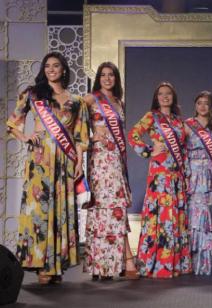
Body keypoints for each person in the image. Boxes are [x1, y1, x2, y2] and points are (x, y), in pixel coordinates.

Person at [7, 52, 89, 284]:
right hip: (40, 161)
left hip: (65, 162)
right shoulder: (33, 95)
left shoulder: (77, 101)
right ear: (44, 70)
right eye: (48, 66)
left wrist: (80, 162)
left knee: (61, 209)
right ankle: (42, 265)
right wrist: (25, 136)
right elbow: (12, 122)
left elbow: (81, 136)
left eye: (56, 66)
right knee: (40, 211)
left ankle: (57, 266)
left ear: (64, 70)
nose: (51, 69)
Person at [128, 82, 191, 278]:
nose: (165, 97)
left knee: (175, 218)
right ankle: (156, 263)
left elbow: (184, 149)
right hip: (159, 176)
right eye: (161, 94)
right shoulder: (151, 117)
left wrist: (186, 174)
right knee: (160, 217)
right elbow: (133, 135)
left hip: (177, 176)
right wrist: (148, 150)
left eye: (168, 94)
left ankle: (175, 264)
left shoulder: (179, 122)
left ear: (173, 98)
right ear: (157, 98)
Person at [83, 62, 138, 280]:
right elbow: (72, 125)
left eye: (111, 75)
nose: (107, 79)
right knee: (100, 211)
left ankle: (115, 264)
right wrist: (90, 137)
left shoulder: (119, 103)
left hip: (115, 160)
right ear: (98, 78)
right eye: (103, 75)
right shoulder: (89, 99)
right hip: (99, 159)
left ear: (116, 79)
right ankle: (100, 265)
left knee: (116, 209)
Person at [184, 91, 212, 275]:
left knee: (210, 218)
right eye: (199, 102)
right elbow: (182, 152)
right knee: (196, 218)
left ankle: (211, 261)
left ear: (211, 107)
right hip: (195, 175)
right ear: (195, 105)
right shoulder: (187, 125)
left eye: (206, 103)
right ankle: (196, 261)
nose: (202, 106)